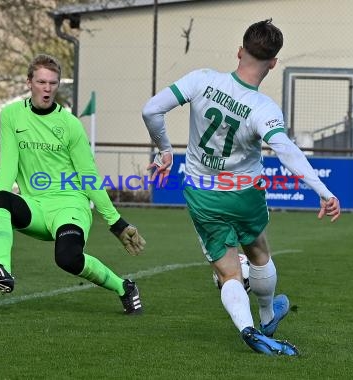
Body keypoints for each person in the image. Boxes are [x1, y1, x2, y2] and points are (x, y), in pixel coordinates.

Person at [142, 19, 340, 354]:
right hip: (245, 191)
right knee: (259, 253)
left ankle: (249, 329)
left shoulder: (202, 79)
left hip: (202, 191)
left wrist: (164, 150)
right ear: (273, 63)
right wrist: (323, 190)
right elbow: (286, 150)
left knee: (228, 272)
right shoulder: (263, 108)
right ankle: (266, 315)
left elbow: (151, 110)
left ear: (239, 50)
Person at [0, 53, 146, 315]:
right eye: (41, 82)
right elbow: (8, 167)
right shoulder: (12, 115)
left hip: (70, 207)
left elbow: (89, 175)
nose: (47, 89)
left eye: (53, 83)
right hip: (35, 207)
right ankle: (3, 271)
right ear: (29, 82)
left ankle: (124, 287)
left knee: (67, 259)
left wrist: (116, 222)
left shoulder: (70, 125)